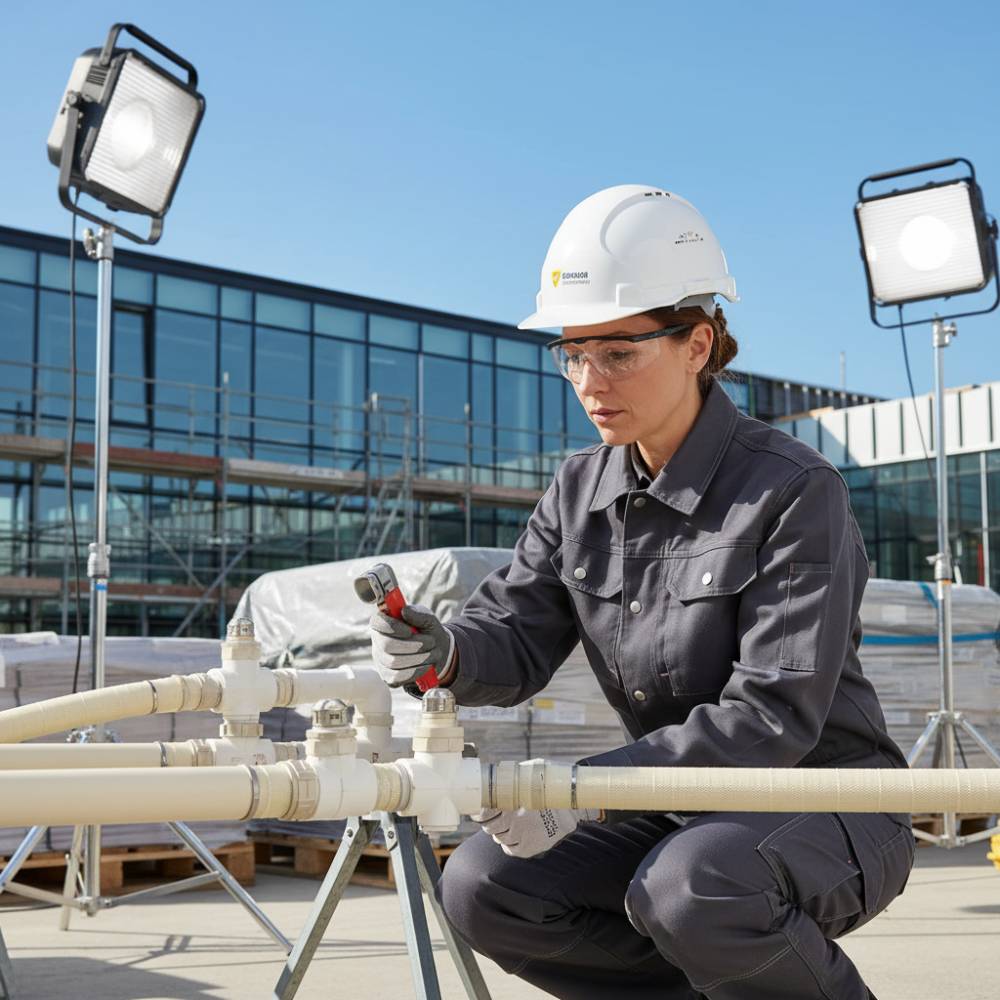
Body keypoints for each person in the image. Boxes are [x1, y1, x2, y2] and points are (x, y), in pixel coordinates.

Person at [368, 184, 914, 1000]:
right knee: (485, 886)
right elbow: (513, 635)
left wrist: (583, 796)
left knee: (694, 887)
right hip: (674, 800)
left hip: (826, 796)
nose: (592, 379)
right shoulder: (577, 488)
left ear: (698, 344)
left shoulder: (794, 489)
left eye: (619, 352)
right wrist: (439, 650)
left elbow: (772, 717)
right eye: (573, 353)